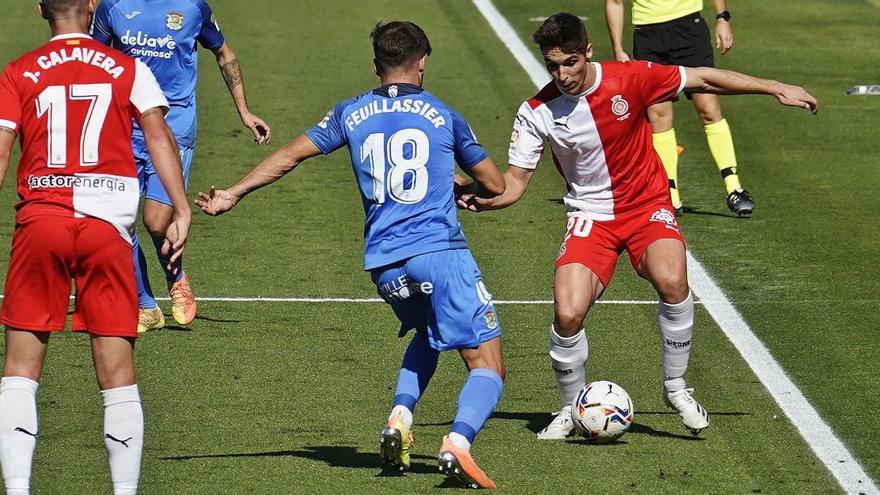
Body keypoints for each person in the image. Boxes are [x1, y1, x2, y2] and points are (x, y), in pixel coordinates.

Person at [458, 13, 816, 439]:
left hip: (646, 206)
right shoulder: (536, 112)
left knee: (672, 279)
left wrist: (773, 86)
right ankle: (571, 410)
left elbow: (703, 78)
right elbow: (514, 185)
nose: (562, 74)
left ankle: (676, 387)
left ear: (588, 51)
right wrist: (475, 198)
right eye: (553, 66)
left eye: (570, 62)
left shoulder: (632, 78)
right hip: (590, 216)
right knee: (568, 312)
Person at [195, 21, 507, 489]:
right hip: (439, 252)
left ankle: (399, 418)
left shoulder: (350, 112)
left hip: (383, 263)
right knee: (487, 362)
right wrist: (460, 185)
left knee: (428, 330)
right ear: (421, 62)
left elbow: (289, 156)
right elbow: (496, 184)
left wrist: (233, 194)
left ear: (375, 66)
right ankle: (458, 443)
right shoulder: (443, 114)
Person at [0, 1, 191, 493]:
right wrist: (181, 207)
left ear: (41, 8)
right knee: (118, 376)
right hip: (108, 229)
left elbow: (1, 150)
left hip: (41, 221)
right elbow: (158, 133)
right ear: (91, 5)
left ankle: (18, 489)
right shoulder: (129, 69)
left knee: (20, 370)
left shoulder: (18, 71)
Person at [91, 0, 271, 332]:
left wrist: (244, 111)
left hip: (174, 127)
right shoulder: (112, 7)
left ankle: (176, 278)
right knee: (118, 220)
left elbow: (225, 54)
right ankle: (145, 304)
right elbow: (93, 64)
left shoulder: (193, 8)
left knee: (156, 222)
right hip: (123, 127)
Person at [605, 0, 752, 216]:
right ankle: (670, 196)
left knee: (709, 109)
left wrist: (722, 18)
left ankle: (734, 188)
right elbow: (614, 2)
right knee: (659, 117)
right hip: (647, 36)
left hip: (689, 28)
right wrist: (618, 48)